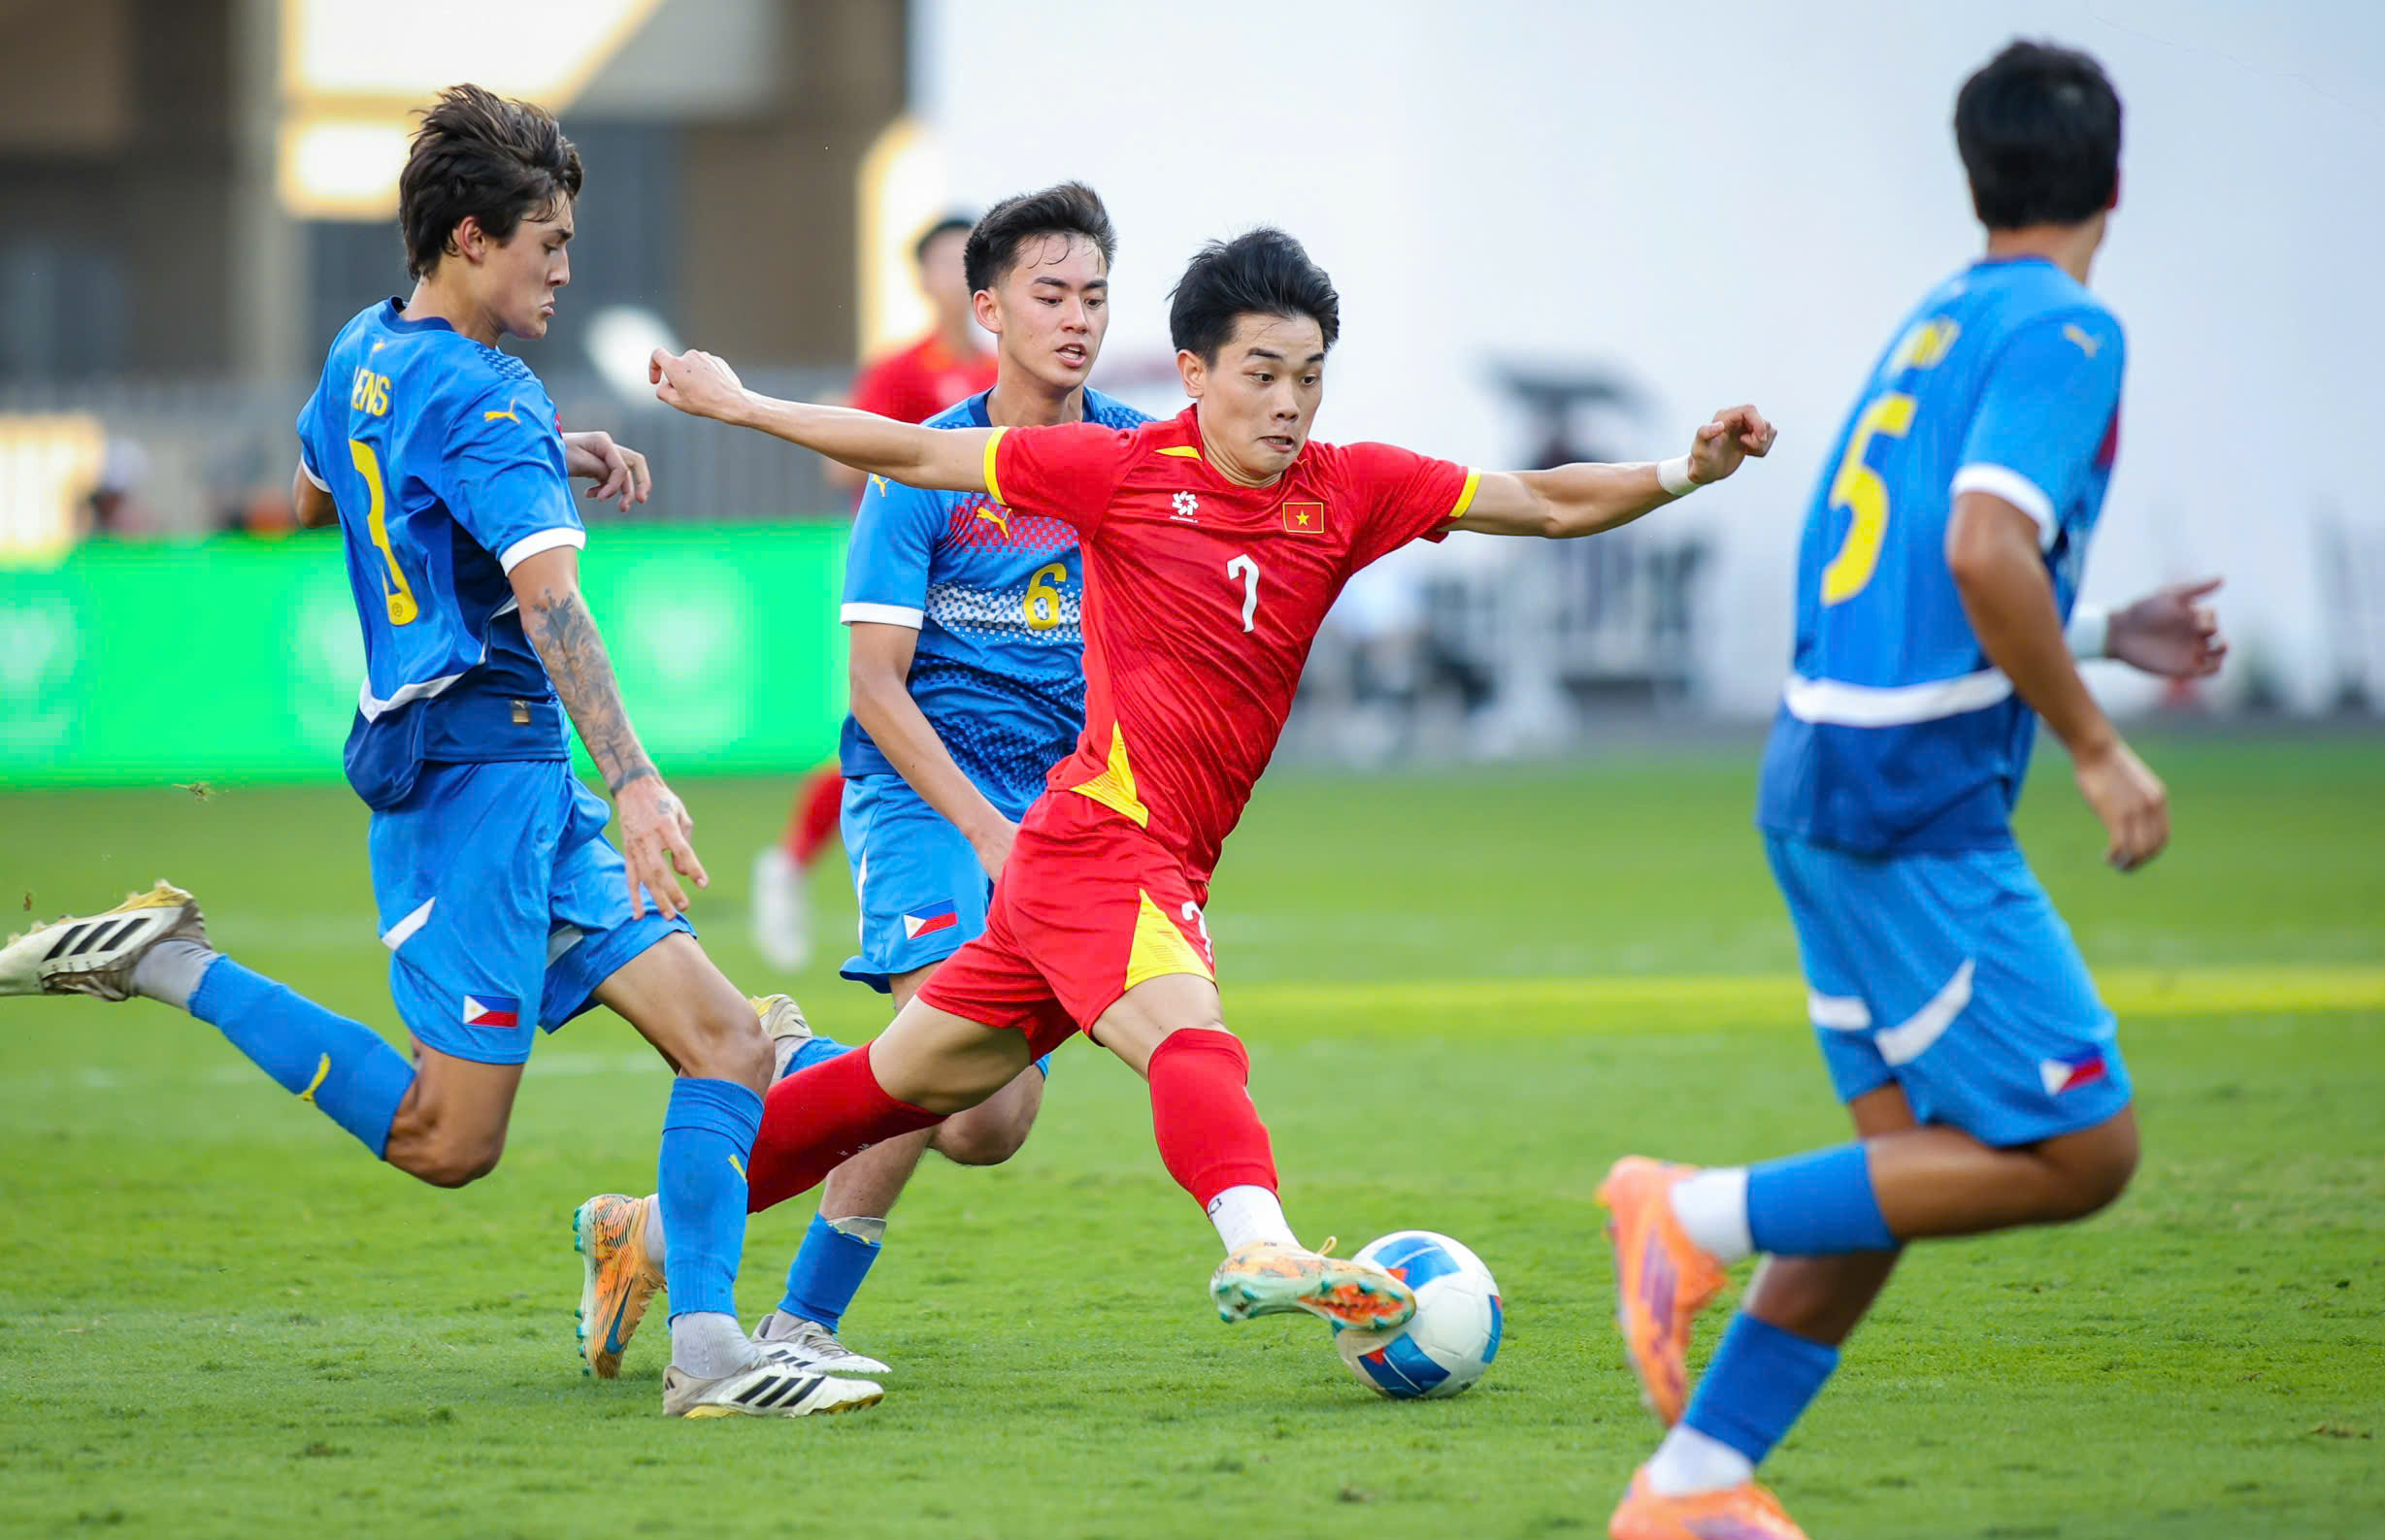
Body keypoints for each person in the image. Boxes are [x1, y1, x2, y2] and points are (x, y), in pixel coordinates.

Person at [647, 227, 1776, 1348]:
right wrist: (745, 406)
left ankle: (643, 1232)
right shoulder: (1122, 470)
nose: (1289, 403)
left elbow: (1540, 500)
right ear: (1193, 374)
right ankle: (1258, 1238)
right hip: (1105, 839)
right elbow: (914, 453)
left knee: (888, 1096)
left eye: (1310, 375)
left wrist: (1685, 470)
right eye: (1262, 373)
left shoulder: (1352, 490)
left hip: (1124, 856)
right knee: (1190, 1031)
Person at [0, 84, 878, 1422]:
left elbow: (322, 481)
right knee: (446, 1139)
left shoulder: (366, 348)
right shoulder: (486, 400)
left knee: (726, 1041)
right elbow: (553, 606)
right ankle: (171, 962)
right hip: (474, 791)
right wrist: (638, 777)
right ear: (471, 237)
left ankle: (709, 1352)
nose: (567, 269)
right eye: (548, 242)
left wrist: (535, 458)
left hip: (515, 777)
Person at [1598, 41, 2228, 1540]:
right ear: (2115, 186)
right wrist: (2095, 739)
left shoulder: (1937, 322)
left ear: (1976, 178)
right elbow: (1978, 554)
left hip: (1819, 772)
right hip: (1910, 799)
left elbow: (1912, 572)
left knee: (1899, 1177)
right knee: (2088, 1149)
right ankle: (1685, 1210)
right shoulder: (2070, 334)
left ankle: (1688, 1491)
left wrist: (2094, 629)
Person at [576, 181, 1151, 1379]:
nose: (1078, 317)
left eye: (1095, 294)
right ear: (987, 308)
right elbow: (876, 690)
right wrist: (990, 829)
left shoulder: (1139, 458)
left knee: (989, 1123)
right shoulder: (926, 471)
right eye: (1050, 294)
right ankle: (798, 1324)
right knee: (947, 1068)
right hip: (928, 792)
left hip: (1056, 815)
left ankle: (774, 1093)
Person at [753, 214, 1000, 971]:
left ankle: (797, 861)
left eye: (970, 263)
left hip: (989, 585)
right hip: (906, 578)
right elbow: (841, 467)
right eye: (943, 263)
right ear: (923, 280)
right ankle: (792, 860)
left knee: (945, 729)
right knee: (893, 722)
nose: (956, 278)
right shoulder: (901, 372)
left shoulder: (1005, 376)